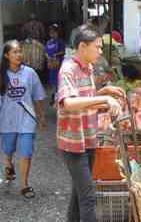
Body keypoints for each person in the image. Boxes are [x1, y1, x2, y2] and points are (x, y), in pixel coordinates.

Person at [57, 25, 125, 222]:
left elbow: (84, 98)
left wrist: (105, 92)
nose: (101, 51)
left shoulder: (88, 68)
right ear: (82, 46)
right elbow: (68, 102)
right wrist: (103, 101)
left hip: (88, 139)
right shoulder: (68, 69)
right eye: (97, 47)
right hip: (73, 144)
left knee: (79, 194)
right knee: (88, 197)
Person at [0, 40, 46, 198]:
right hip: (6, 120)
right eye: (14, 52)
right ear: (7, 55)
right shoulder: (1, 74)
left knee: (26, 152)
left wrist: (41, 116)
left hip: (27, 119)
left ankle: (24, 185)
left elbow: (38, 96)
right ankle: (8, 164)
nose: (18, 55)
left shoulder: (30, 73)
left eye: (20, 51)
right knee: (8, 149)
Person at [45, 24, 65, 104]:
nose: (52, 34)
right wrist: (47, 57)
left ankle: (58, 97)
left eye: (54, 32)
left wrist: (55, 55)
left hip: (58, 65)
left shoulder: (60, 42)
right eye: (51, 33)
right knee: (53, 82)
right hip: (51, 65)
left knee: (59, 81)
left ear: (57, 33)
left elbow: (63, 51)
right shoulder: (49, 42)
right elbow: (45, 51)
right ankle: (54, 96)